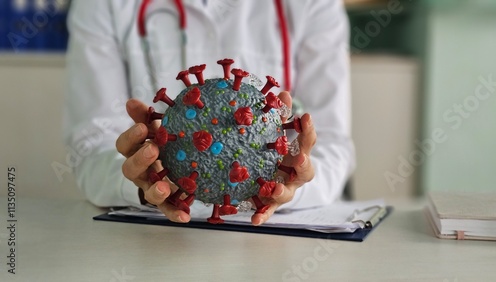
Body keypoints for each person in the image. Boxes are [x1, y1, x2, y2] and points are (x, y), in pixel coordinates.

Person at [64, 0, 355, 225]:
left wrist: (292, 182)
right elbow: (90, 144)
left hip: (277, 239)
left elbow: (332, 144)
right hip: (154, 238)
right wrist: (138, 182)